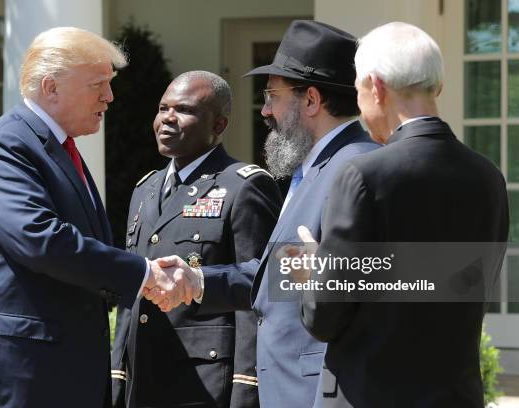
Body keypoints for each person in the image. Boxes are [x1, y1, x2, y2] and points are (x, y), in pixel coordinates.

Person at [0, 27, 197, 408]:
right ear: (51, 87)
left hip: (50, 374)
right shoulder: (4, 146)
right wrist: (144, 274)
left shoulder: (58, 148)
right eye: (98, 84)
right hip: (6, 374)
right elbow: (41, 240)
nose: (110, 96)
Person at [147, 21, 380, 408]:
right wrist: (198, 279)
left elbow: (406, 279)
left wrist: (329, 273)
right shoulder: (313, 169)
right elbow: (282, 274)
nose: (265, 110)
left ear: (311, 101)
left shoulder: (355, 168)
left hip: (320, 393)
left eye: (272, 95)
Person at [299, 22, 509, 407]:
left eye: (360, 90)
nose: (361, 108)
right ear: (438, 87)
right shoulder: (489, 177)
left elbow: (323, 320)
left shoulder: (363, 175)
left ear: (376, 87)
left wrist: (315, 270)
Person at [111, 71, 282, 408]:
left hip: (206, 383)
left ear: (218, 125)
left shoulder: (243, 186)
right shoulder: (145, 189)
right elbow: (131, 296)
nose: (167, 120)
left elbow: (258, 288)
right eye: (163, 108)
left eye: (184, 110)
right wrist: (118, 373)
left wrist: (247, 386)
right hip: (143, 380)